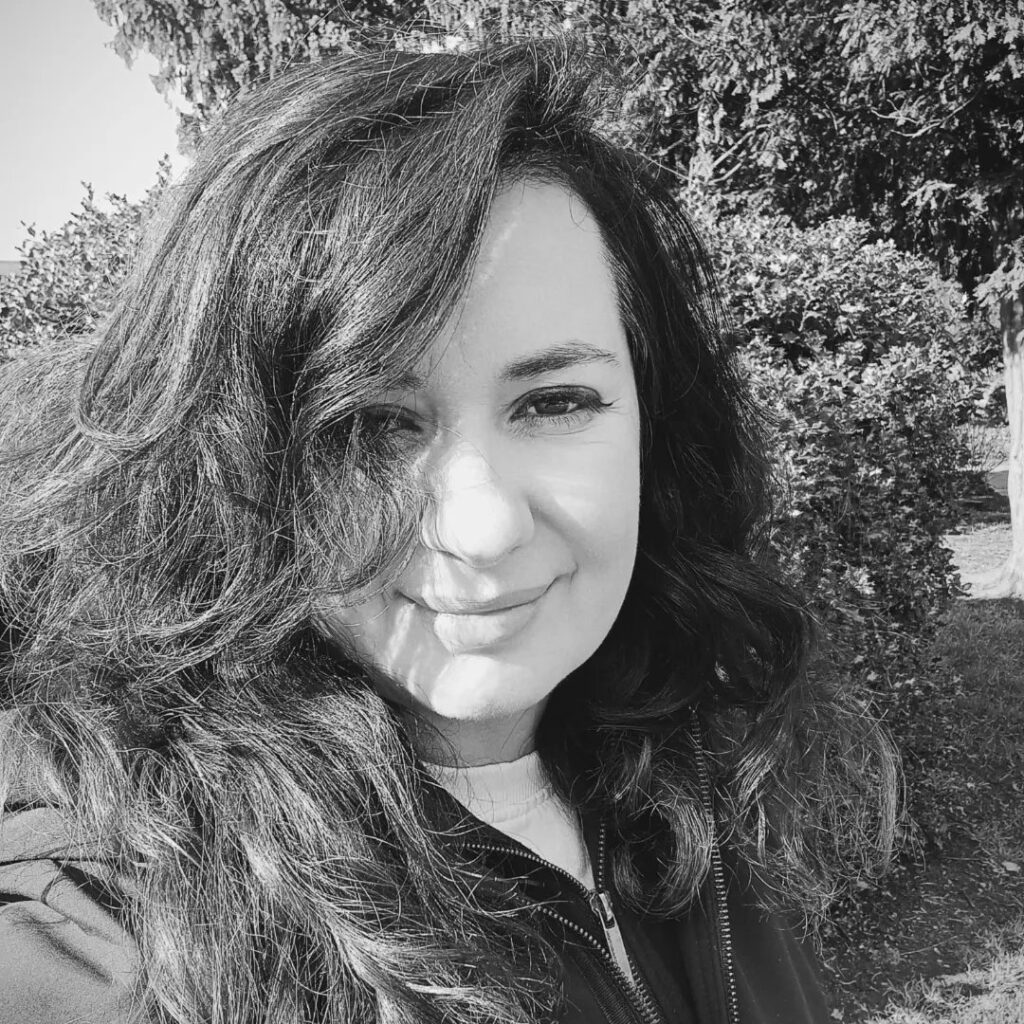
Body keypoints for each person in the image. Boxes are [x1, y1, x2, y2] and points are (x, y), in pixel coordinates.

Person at [0, 39, 898, 1024]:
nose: (485, 527)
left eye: (555, 401)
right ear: (222, 463)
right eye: (369, 424)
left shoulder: (696, 778)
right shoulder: (103, 940)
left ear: (654, 422)